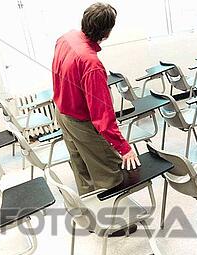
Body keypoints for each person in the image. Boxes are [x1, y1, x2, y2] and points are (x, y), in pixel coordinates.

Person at [52, 2, 140, 196]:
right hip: (80, 123)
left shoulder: (66, 38)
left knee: (82, 169)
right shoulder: (91, 64)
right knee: (109, 172)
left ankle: (92, 217)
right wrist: (124, 148)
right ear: (107, 33)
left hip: (62, 114)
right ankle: (116, 223)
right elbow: (103, 116)